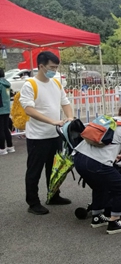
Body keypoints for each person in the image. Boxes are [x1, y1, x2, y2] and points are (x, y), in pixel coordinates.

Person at [19, 51, 74, 215]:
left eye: (56, 67)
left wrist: (70, 117)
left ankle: (54, 195)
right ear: (41, 66)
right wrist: (53, 121)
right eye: (52, 67)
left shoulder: (56, 83)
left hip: (55, 135)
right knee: (34, 170)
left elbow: (65, 102)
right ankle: (33, 202)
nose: (54, 70)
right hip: (38, 137)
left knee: (54, 168)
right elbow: (29, 110)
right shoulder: (30, 84)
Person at [74, 103, 121, 234]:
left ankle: (97, 217)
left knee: (100, 186)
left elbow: (102, 142)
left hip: (79, 158)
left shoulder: (107, 120)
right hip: (96, 164)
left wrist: (113, 156)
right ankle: (114, 222)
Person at [0, 68, 14, 155]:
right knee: (6, 128)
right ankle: (10, 146)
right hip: (6, 108)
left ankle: (2, 148)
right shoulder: (6, 83)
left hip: (0, 109)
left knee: (0, 129)